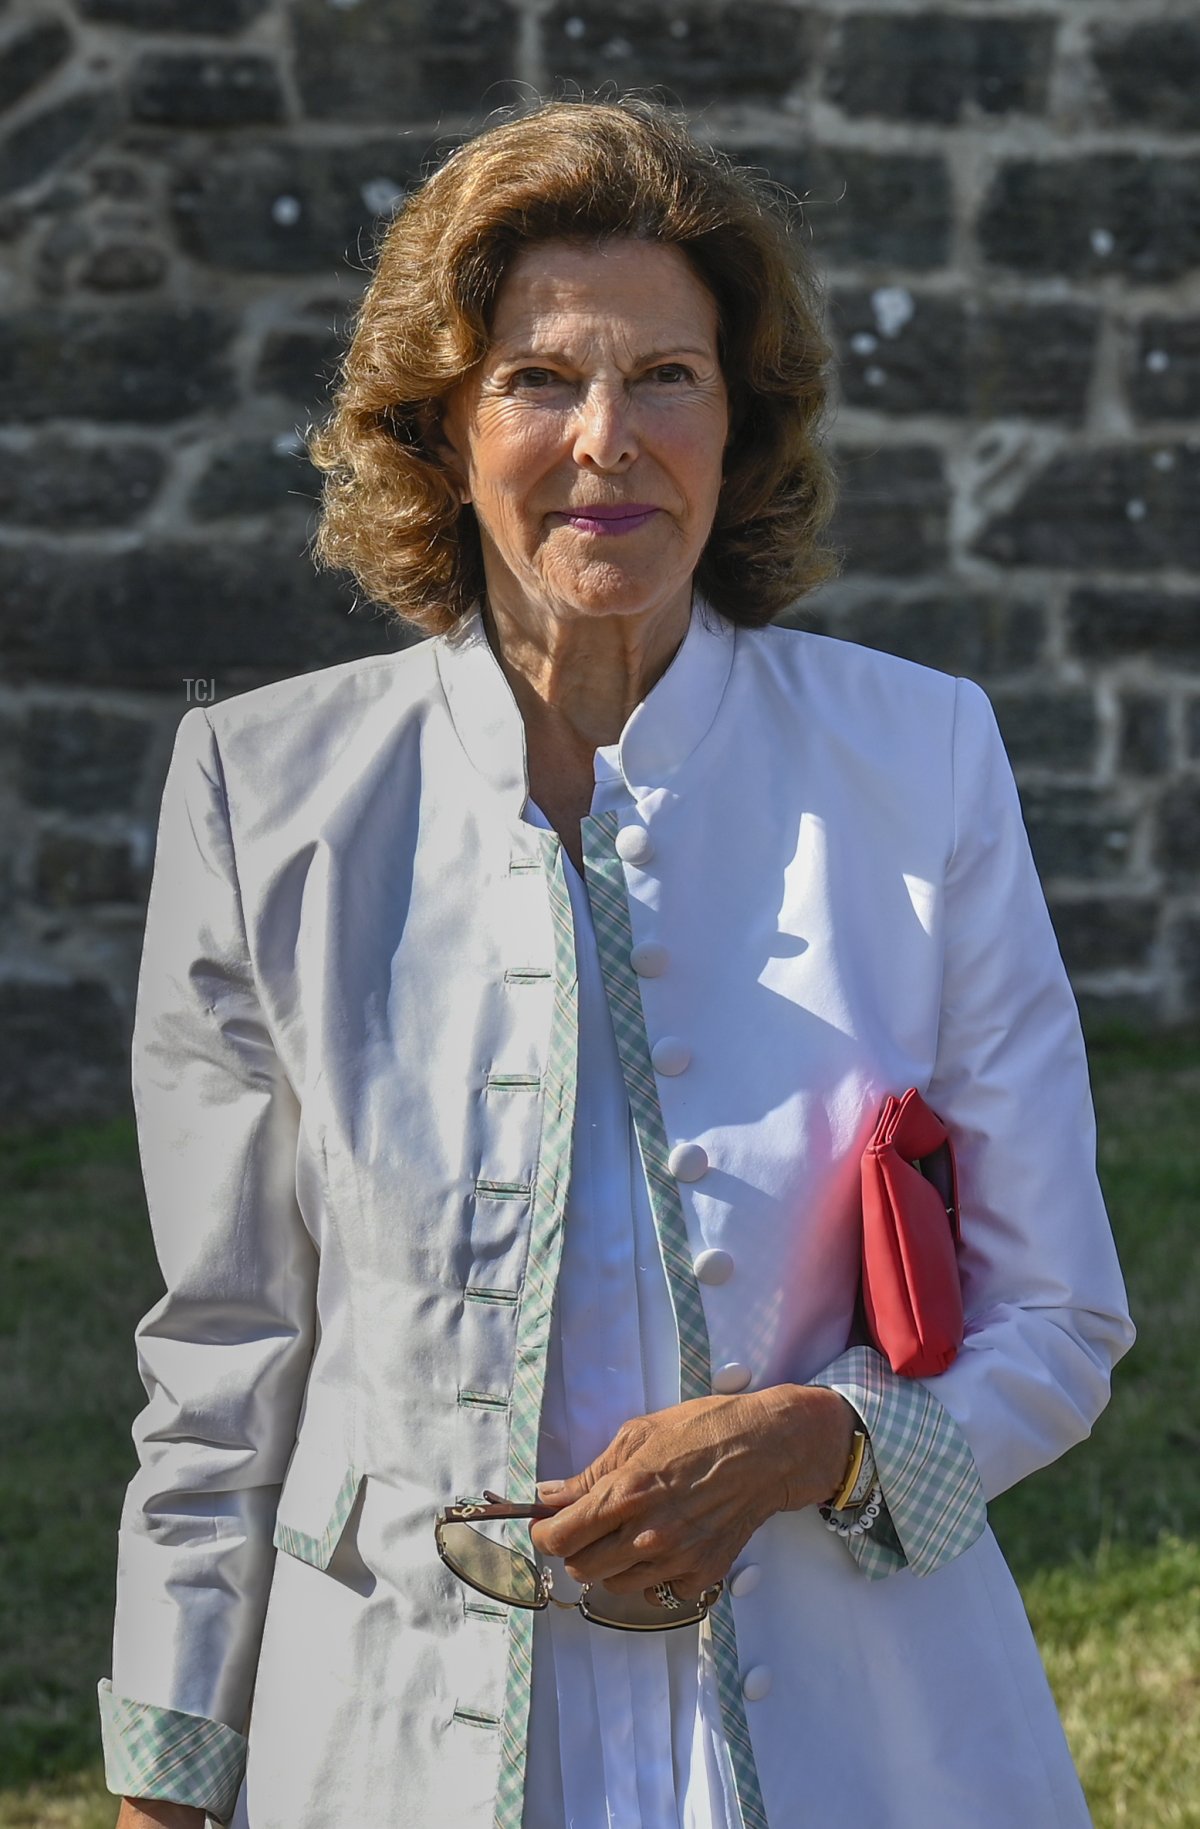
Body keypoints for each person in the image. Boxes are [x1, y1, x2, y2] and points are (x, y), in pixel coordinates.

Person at [100, 93, 1135, 1829]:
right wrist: (168, 1776)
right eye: (537, 379)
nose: (608, 438)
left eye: (668, 375)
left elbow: (1060, 1316)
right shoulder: (265, 796)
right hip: (394, 1731)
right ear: (438, 423)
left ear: (741, 423)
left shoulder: (917, 760)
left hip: (850, 1734)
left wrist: (824, 1439)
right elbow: (221, 1356)